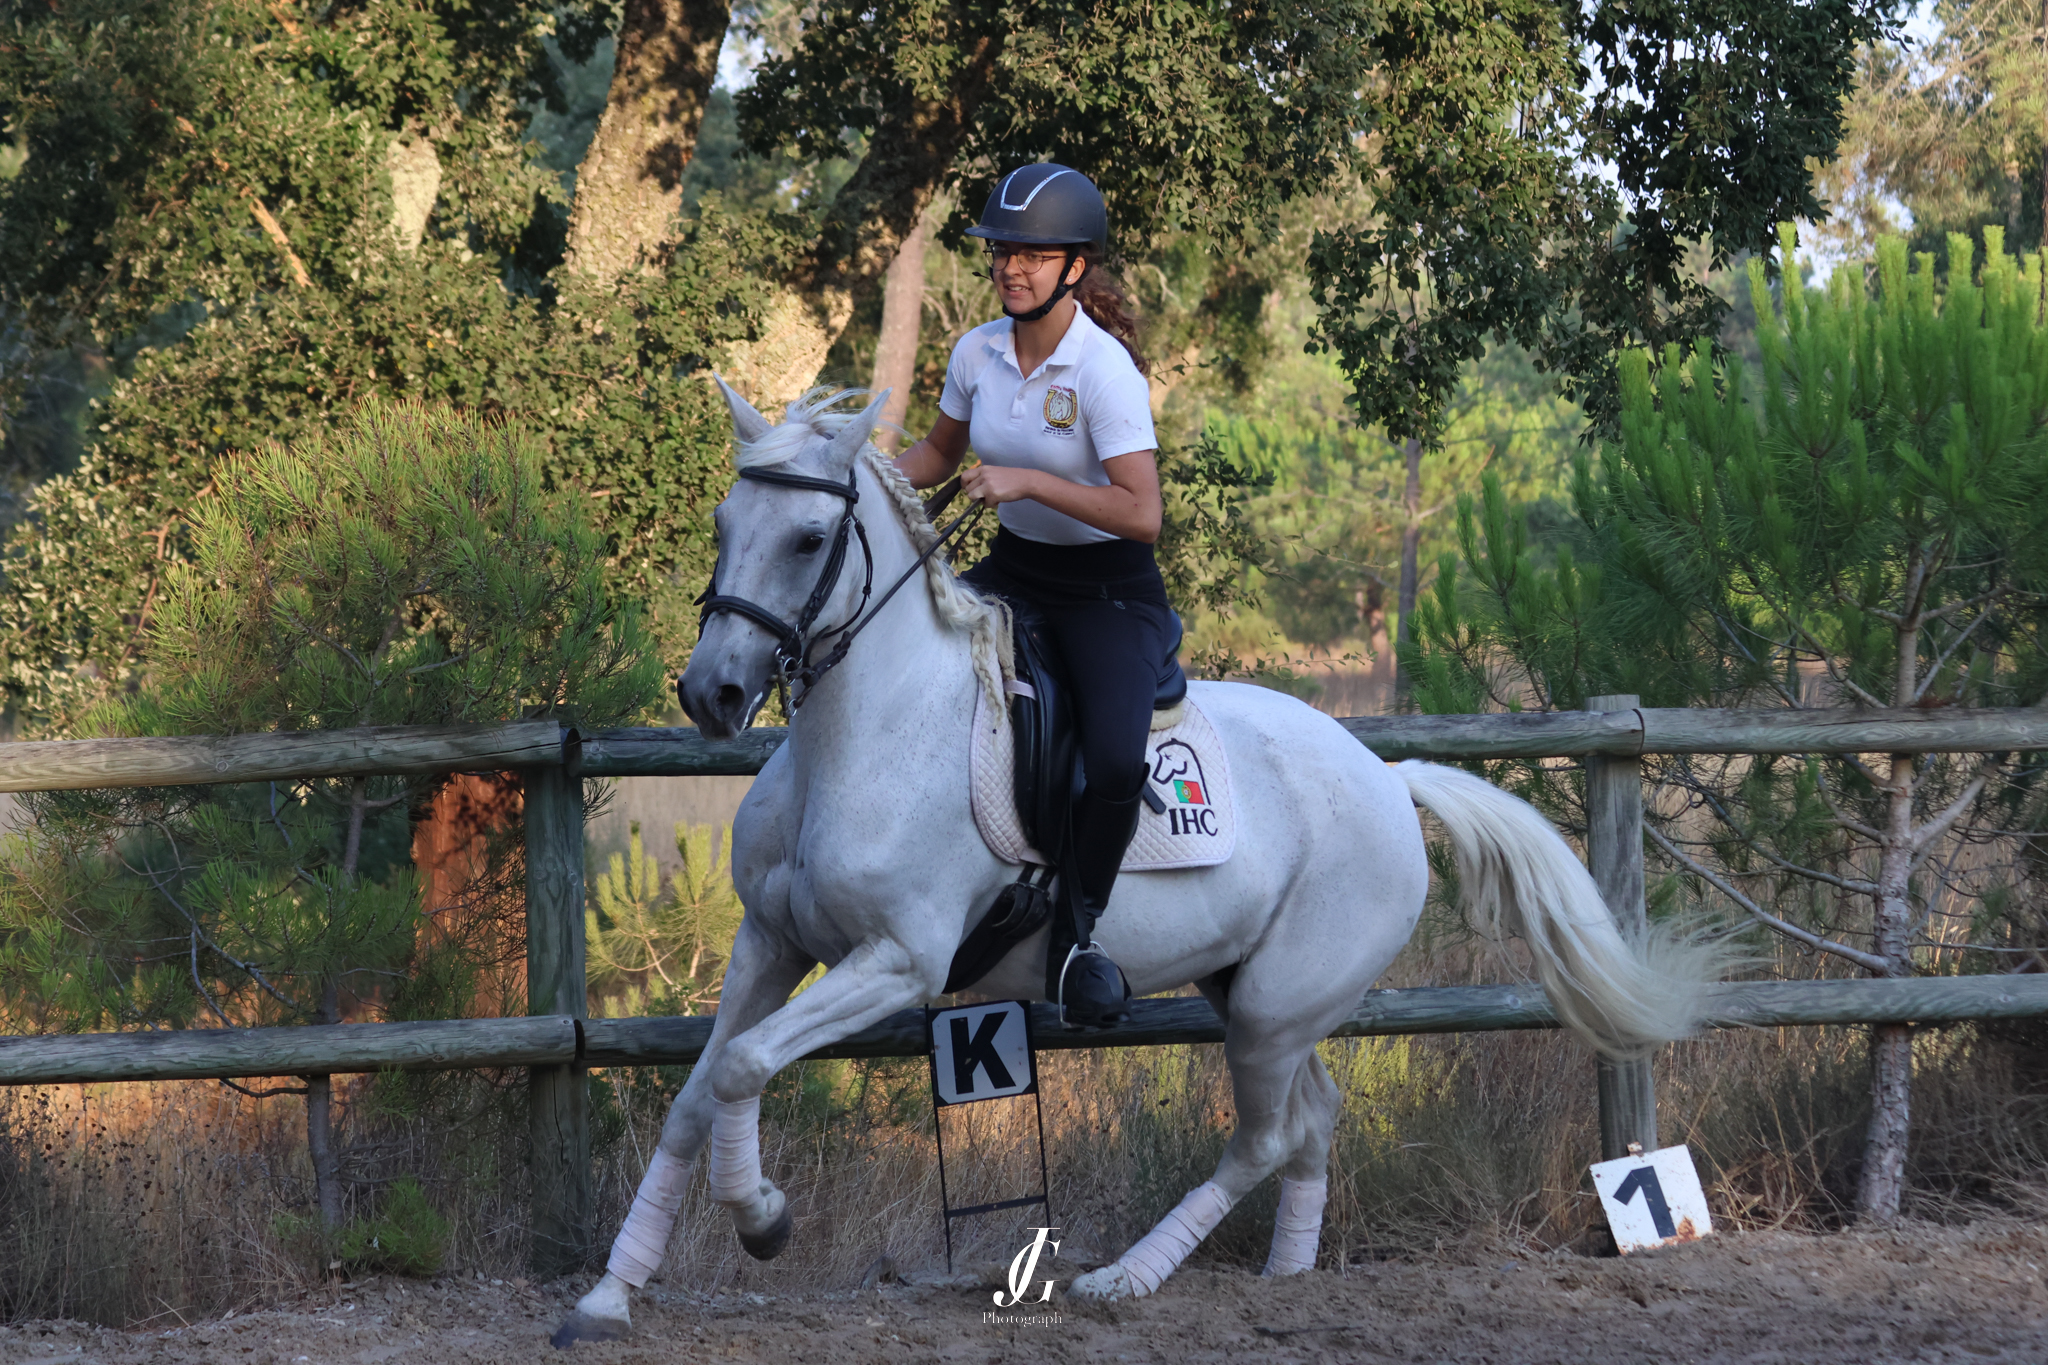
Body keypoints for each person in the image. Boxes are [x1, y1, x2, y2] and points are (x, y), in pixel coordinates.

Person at [894, 163, 1173, 1026]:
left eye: (1032, 254)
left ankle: (1079, 938)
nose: (1011, 267)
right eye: (1001, 252)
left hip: (1107, 594)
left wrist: (1027, 482)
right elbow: (934, 458)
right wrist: (848, 485)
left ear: (1074, 268)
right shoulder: (976, 349)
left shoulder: (1105, 371)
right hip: (1014, 573)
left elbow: (1142, 514)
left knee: (1120, 761)